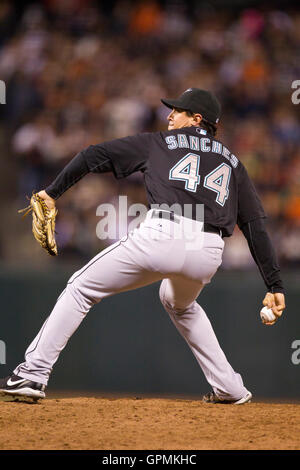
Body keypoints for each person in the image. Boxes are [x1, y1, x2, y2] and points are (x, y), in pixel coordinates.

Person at [0, 88, 285, 404]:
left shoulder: (158, 143)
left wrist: (53, 192)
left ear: (197, 118)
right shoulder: (233, 162)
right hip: (208, 249)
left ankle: (32, 374)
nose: (170, 115)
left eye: (177, 111)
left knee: (81, 288)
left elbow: (93, 154)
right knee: (180, 303)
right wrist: (274, 284)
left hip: (165, 232)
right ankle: (230, 388)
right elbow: (255, 225)